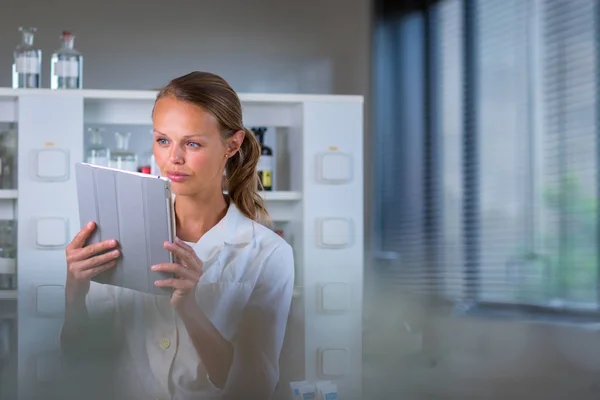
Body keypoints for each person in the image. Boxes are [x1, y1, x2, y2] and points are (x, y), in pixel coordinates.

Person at [60, 71, 295, 400]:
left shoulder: (268, 254)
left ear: (232, 144)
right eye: (163, 140)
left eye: (193, 143)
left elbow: (253, 386)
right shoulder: (117, 232)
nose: (174, 158)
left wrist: (189, 307)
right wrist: (74, 295)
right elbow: (80, 359)